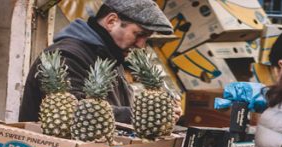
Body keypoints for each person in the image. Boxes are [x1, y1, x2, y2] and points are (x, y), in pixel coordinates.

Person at [18, 0, 173, 125]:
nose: (141, 45)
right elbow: (73, 113)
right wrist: (143, 114)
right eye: (139, 34)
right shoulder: (66, 55)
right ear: (111, 21)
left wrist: (158, 112)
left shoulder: (111, 56)